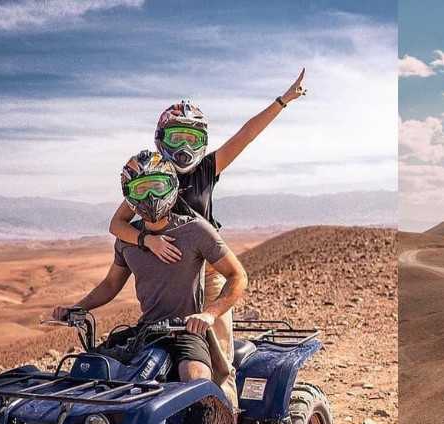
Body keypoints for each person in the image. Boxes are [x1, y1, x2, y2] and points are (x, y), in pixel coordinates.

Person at [106, 70, 307, 362]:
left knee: (218, 352)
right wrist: (147, 240)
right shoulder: (150, 175)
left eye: (192, 137)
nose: (184, 147)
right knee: (159, 350)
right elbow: (116, 224)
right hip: (172, 273)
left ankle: (225, 406)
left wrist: (282, 100)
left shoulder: (208, 168)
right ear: (163, 138)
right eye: (177, 137)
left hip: (210, 269)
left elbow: (246, 135)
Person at [53, 151, 248, 385]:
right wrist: (76, 308)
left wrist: (209, 314)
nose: (150, 196)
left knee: (196, 380)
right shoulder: (128, 240)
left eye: (157, 186)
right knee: (89, 371)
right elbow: (111, 284)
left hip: (186, 331)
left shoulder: (196, 230)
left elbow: (238, 275)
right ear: (129, 195)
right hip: (146, 331)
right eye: (141, 188)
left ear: (172, 187)